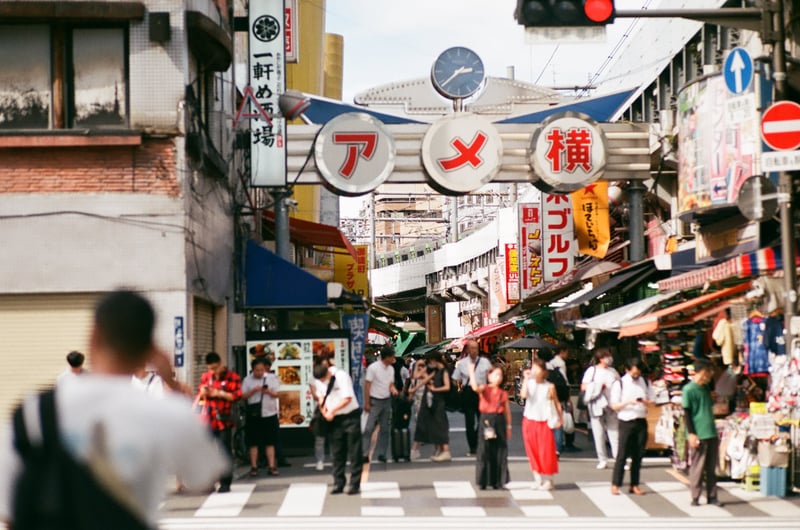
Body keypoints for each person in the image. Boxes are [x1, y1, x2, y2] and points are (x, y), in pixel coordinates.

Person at [0, 290, 227, 528]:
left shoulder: (32, 412)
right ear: (150, 348)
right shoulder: (166, 414)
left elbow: (8, 510)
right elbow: (204, 477)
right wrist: (171, 382)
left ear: (94, 335)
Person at [314, 358, 363, 495]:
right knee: (336, 452)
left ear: (328, 373)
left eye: (324, 379)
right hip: (334, 420)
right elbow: (321, 398)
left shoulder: (341, 376)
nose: (322, 382)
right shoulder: (319, 380)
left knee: (354, 451)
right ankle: (338, 483)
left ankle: (354, 484)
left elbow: (347, 398)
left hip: (350, 416)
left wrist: (332, 411)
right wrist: (325, 412)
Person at [196, 351, 242, 493]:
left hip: (224, 419)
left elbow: (237, 395)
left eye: (215, 368)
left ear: (221, 364)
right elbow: (200, 395)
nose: (213, 371)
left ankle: (225, 482)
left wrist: (220, 394)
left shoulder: (232, 377)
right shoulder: (206, 377)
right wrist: (203, 392)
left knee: (224, 451)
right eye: (210, 368)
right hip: (208, 419)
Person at [609, 357, 652, 496]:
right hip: (626, 421)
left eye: (638, 373)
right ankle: (615, 484)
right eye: (633, 373)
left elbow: (653, 400)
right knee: (622, 454)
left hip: (641, 420)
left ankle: (634, 484)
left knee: (638, 455)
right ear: (627, 370)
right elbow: (614, 405)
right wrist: (628, 403)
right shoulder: (620, 383)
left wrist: (646, 402)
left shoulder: (645, 382)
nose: (636, 376)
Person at [682, 358, 722, 507]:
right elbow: (686, 412)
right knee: (697, 467)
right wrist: (692, 434)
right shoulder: (689, 389)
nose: (710, 374)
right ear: (701, 372)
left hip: (710, 430)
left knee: (711, 468)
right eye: (708, 371)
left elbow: (710, 404)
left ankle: (712, 496)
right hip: (699, 432)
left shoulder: (705, 388)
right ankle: (695, 496)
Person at [468, 361, 511, 490]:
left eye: (500, 375)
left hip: (499, 420)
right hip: (486, 419)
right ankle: (483, 480)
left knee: (499, 450)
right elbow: (475, 388)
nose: (498, 378)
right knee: (484, 450)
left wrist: (509, 426)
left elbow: (507, 411)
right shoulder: (484, 389)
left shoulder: (503, 393)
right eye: (495, 374)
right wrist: (471, 372)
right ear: (489, 376)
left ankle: (498, 480)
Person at [520, 358, 561, 490]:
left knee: (546, 451)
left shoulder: (550, 386)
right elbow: (523, 395)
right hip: (529, 420)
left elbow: (557, 403)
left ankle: (549, 479)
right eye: (533, 368)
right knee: (532, 451)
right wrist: (525, 379)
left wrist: (560, 419)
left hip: (545, 421)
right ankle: (537, 478)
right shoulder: (529, 383)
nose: (534, 371)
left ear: (544, 371)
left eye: (537, 368)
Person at [451, 339, 493, 456]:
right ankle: (472, 447)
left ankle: (478, 440)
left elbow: (491, 375)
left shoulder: (485, 362)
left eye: (476, 348)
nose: (474, 350)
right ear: (468, 350)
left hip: (482, 391)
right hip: (468, 392)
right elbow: (455, 379)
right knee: (469, 421)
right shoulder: (462, 363)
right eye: (472, 348)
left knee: (482, 419)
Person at [581, 349, 620, 469]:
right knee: (599, 433)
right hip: (596, 404)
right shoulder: (591, 370)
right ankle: (602, 459)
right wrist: (597, 386)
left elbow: (619, 384)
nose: (609, 358)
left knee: (615, 433)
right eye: (607, 356)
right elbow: (583, 386)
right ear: (601, 358)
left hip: (612, 405)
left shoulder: (613, 371)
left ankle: (618, 459)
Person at [241, 357, 280, 477]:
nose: (260, 372)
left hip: (269, 413)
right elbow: (243, 396)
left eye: (262, 370)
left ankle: (271, 466)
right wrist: (253, 390)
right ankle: (254, 466)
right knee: (253, 442)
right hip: (254, 414)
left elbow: (277, 394)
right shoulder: (247, 380)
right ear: (252, 370)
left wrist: (266, 392)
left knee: (270, 441)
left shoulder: (272, 378)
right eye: (257, 370)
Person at [361, 345, 399, 463]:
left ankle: (382, 453)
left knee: (385, 429)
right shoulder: (373, 368)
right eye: (392, 356)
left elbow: (390, 383)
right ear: (386, 357)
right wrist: (366, 402)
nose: (393, 359)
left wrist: (393, 389)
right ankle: (364, 453)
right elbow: (367, 385)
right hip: (374, 400)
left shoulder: (391, 369)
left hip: (386, 400)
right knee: (368, 428)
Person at [414, 352, 452, 461]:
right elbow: (417, 376)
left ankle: (445, 450)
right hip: (432, 401)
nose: (429, 364)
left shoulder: (444, 371)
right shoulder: (434, 371)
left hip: (439, 401)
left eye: (430, 361)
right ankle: (440, 450)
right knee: (436, 425)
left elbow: (447, 387)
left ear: (434, 360)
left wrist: (435, 389)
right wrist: (417, 365)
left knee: (440, 425)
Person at [546, 345, 571, 455]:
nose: (568, 355)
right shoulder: (561, 363)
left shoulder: (550, 363)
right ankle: (560, 445)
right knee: (559, 418)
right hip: (560, 394)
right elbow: (564, 381)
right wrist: (568, 396)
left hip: (550, 394)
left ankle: (554, 445)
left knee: (552, 419)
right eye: (567, 352)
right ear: (562, 351)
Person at [408, 357, 433, 460]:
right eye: (419, 366)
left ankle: (425, 438)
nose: (421, 368)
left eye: (423, 365)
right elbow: (411, 387)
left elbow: (431, 383)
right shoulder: (414, 378)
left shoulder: (427, 376)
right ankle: (420, 440)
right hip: (418, 401)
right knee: (419, 419)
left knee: (428, 419)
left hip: (428, 399)